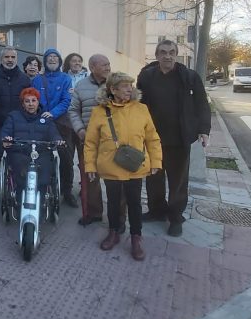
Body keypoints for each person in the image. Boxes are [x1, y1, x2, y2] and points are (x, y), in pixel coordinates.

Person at [83, 72, 162, 261]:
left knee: (135, 203)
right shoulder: (99, 111)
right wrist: (90, 166)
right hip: (110, 165)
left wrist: (156, 161)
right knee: (113, 202)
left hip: (134, 165)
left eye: (131, 85)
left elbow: (152, 138)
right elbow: (91, 142)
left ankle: (136, 238)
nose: (130, 89)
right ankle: (114, 232)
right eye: (125, 85)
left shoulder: (141, 109)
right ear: (113, 89)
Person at [136, 39, 211, 237]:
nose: (167, 56)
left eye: (171, 52)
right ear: (156, 55)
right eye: (163, 52)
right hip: (153, 138)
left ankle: (176, 216)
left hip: (179, 137)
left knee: (178, 180)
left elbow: (202, 104)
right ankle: (157, 210)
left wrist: (204, 130)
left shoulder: (189, 76)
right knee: (154, 177)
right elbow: (138, 104)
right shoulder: (146, 76)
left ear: (176, 54)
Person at [67, 54, 125, 228]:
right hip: (88, 141)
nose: (108, 67)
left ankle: (119, 218)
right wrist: (79, 130)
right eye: (104, 65)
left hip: (114, 142)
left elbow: (130, 107)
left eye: (108, 64)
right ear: (92, 67)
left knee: (117, 181)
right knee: (90, 179)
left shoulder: (118, 82)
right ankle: (94, 213)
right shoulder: (81, 86)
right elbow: (73, 110)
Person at [32, 48, 78, 208]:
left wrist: (52, 113)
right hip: (42, 121)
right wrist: (44, 113)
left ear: (59, 61)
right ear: (45, 61)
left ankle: (67, 191)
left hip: (62, 123)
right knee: (39, 155)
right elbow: (36, 98)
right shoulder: (38, 79)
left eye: (55, 57)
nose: (52, 59)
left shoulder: (66, 78)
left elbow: (67, 100)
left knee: (66, 158)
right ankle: (41, 186)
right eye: (49, 57)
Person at [0, 87, 62, 202]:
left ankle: (42, 201)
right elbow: (5, 132)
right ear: (23, 104)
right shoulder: (13, 116)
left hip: (41, 153)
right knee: (21, 174)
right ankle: (20, 200)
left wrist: (57, 139)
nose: (31, 104)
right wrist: (6, 138)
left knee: (45, 173)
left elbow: (54, 133)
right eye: (27, 101)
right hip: (20, 152)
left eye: (33, 100)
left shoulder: (45, 118)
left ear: (38, 102)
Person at [0, 47, 31, 202]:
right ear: (1, 58)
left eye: (13, 57)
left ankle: (19, 184)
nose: (10, 60)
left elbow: (28, 101)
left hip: (19, 126)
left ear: (16, 59)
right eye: (7, 57)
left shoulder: (24, 79)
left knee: (18, 156)